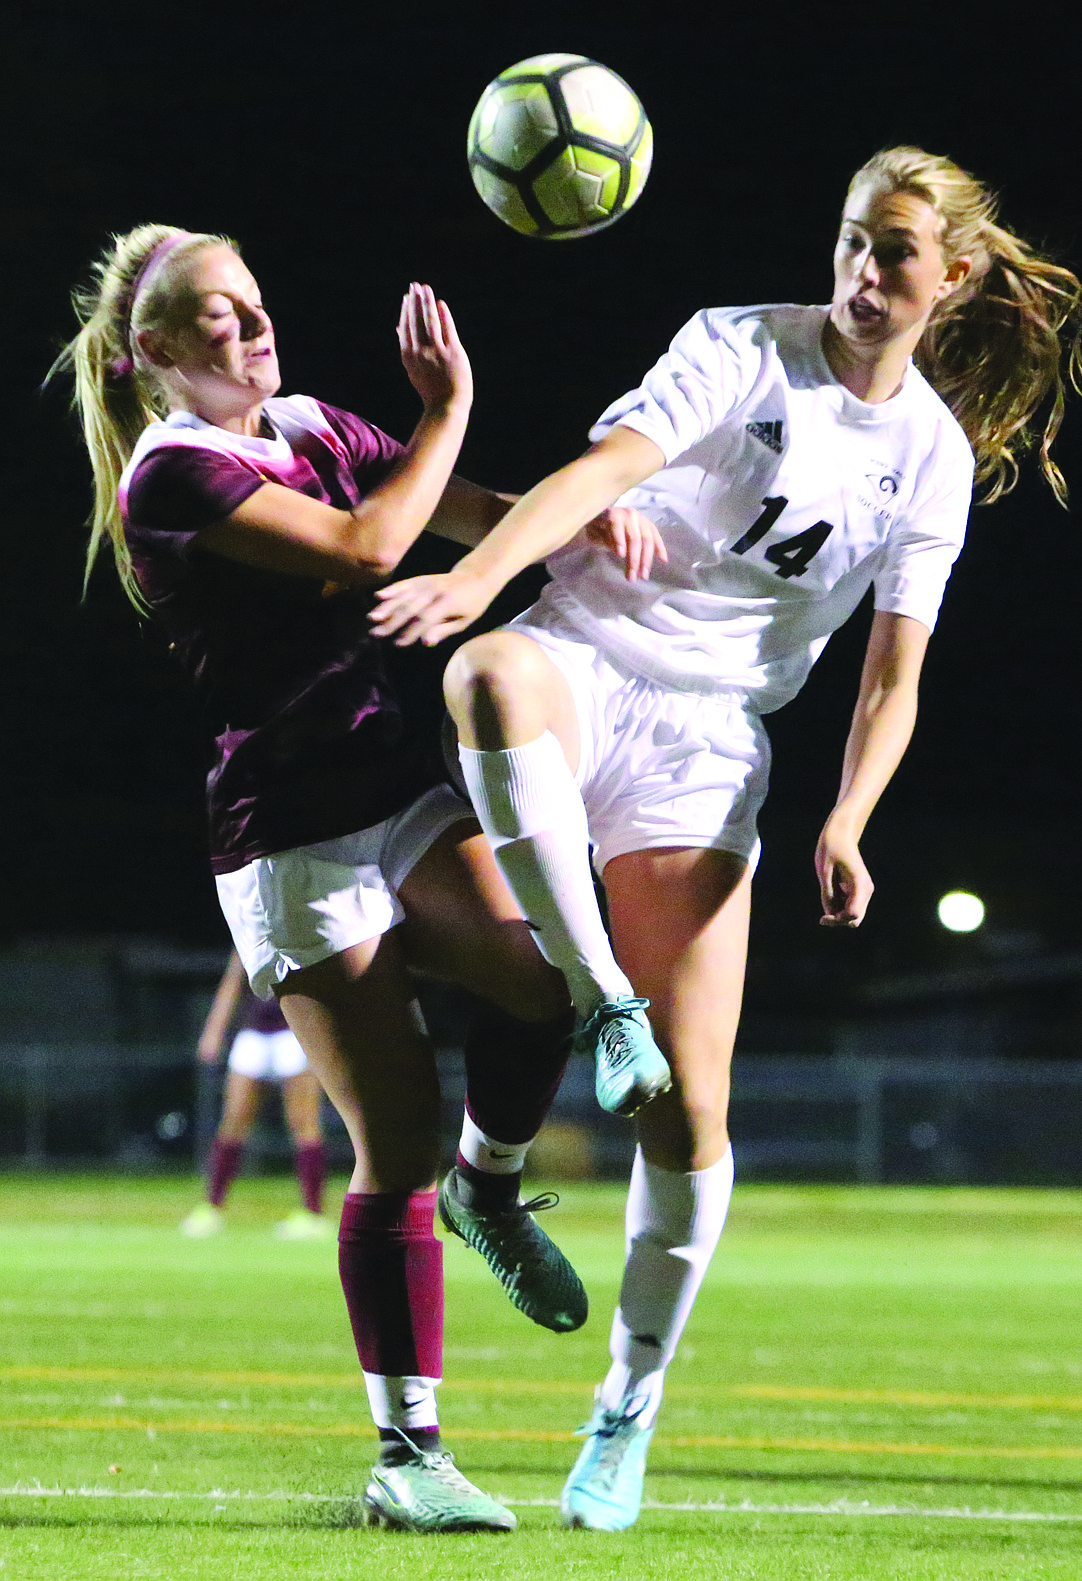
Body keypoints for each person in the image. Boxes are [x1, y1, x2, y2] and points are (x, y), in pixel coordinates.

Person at [368, 145, 1082, 1530]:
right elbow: (606, 467)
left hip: (709, 740)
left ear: (949, 278)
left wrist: (848, 813)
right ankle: (597, 1001)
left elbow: (892, 676)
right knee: (484, 676)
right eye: (848, 240)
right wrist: (472, 578)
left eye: (894, 250)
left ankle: (623, 1411)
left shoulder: (930, 463)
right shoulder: (737, 345)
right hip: (588, 656)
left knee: (687, 1112)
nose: (860, 271)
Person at [55, 225, 655, 1533]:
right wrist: (448, 407)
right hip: (286, 836)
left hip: (391, 791)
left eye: (253, 303)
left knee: (549, 977)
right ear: (153, 351)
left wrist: (588, 525)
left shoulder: (315, 418)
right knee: (389, 1148)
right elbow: (371, 547)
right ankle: (407, 1451)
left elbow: (470, 521)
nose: (248, 328)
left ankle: (489, 1192)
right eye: (211, 317)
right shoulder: (170, 475)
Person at [181, 949, 330, 1240]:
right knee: (233, 1120)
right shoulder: (249, 922)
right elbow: (233, 979)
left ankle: (313, 1213)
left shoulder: (299, 922)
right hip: (254, 1033)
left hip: (295, 1032)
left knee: (304, 1124)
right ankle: (212, 1207)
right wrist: (214, 1030)